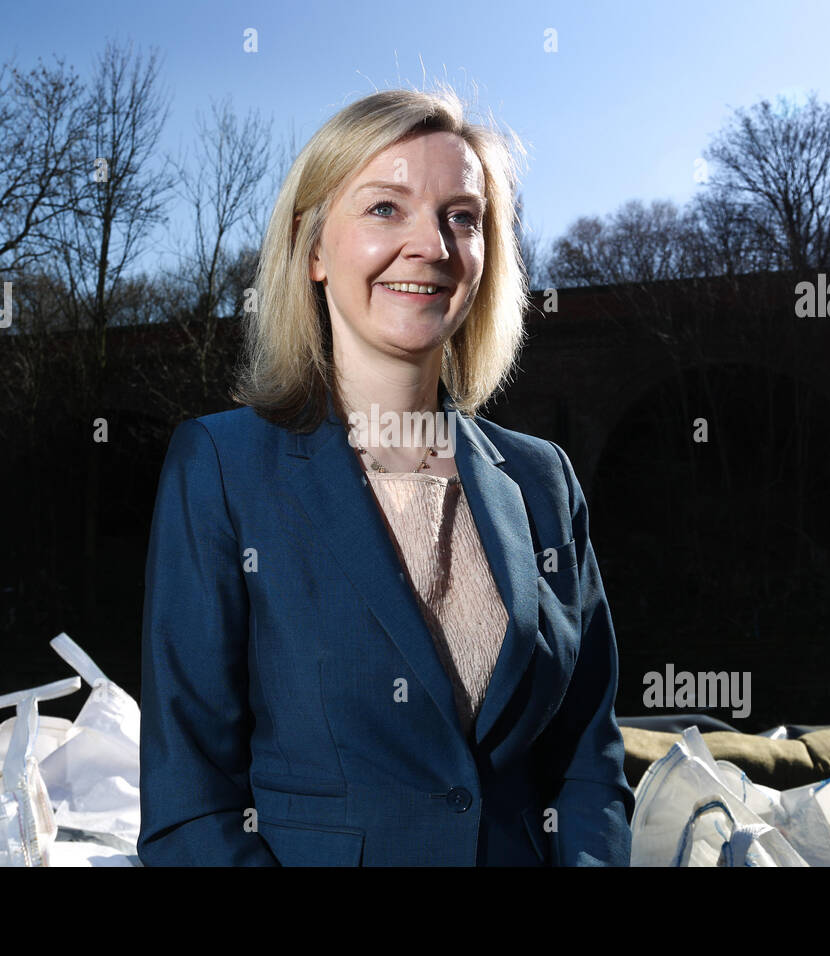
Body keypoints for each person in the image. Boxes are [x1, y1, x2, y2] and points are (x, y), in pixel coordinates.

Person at [138, 85, 634, 866]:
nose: (431, 245)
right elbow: (190, 804)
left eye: (462, 216)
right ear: (312, 252)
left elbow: (588, 761)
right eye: (384, 209)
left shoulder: (543, 482)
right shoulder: (222, 468)